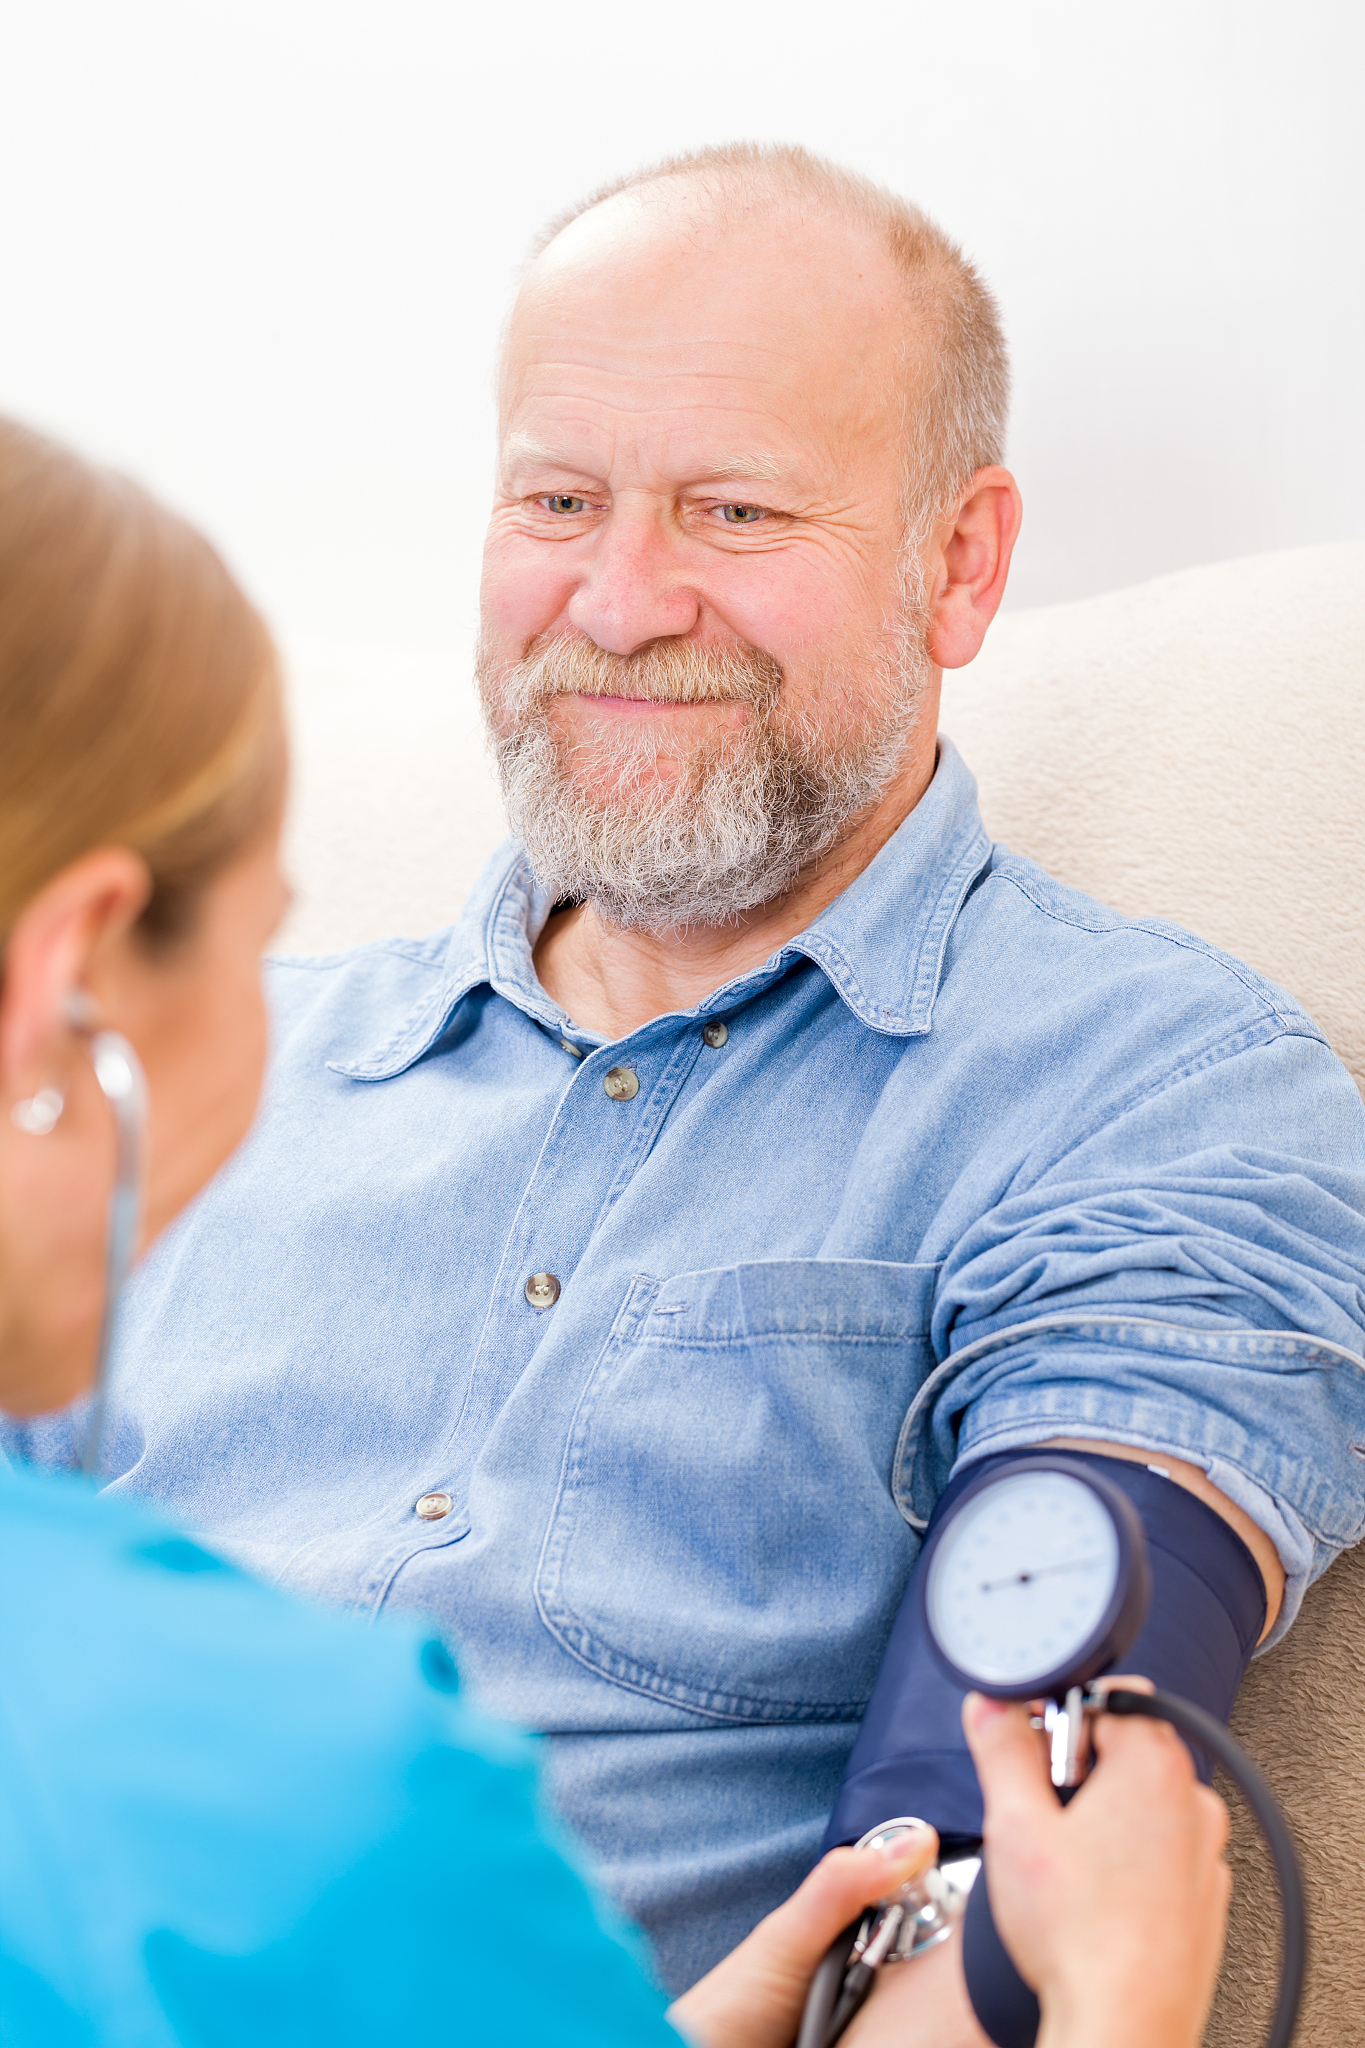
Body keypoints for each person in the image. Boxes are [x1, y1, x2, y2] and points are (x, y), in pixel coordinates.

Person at [11, 141, 1364, 2037]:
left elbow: (995, 1869)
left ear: (957, 562)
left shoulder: (1153, 1096)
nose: (622, 601)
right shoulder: (183, 1063)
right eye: (557, 499)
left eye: (732, 512)